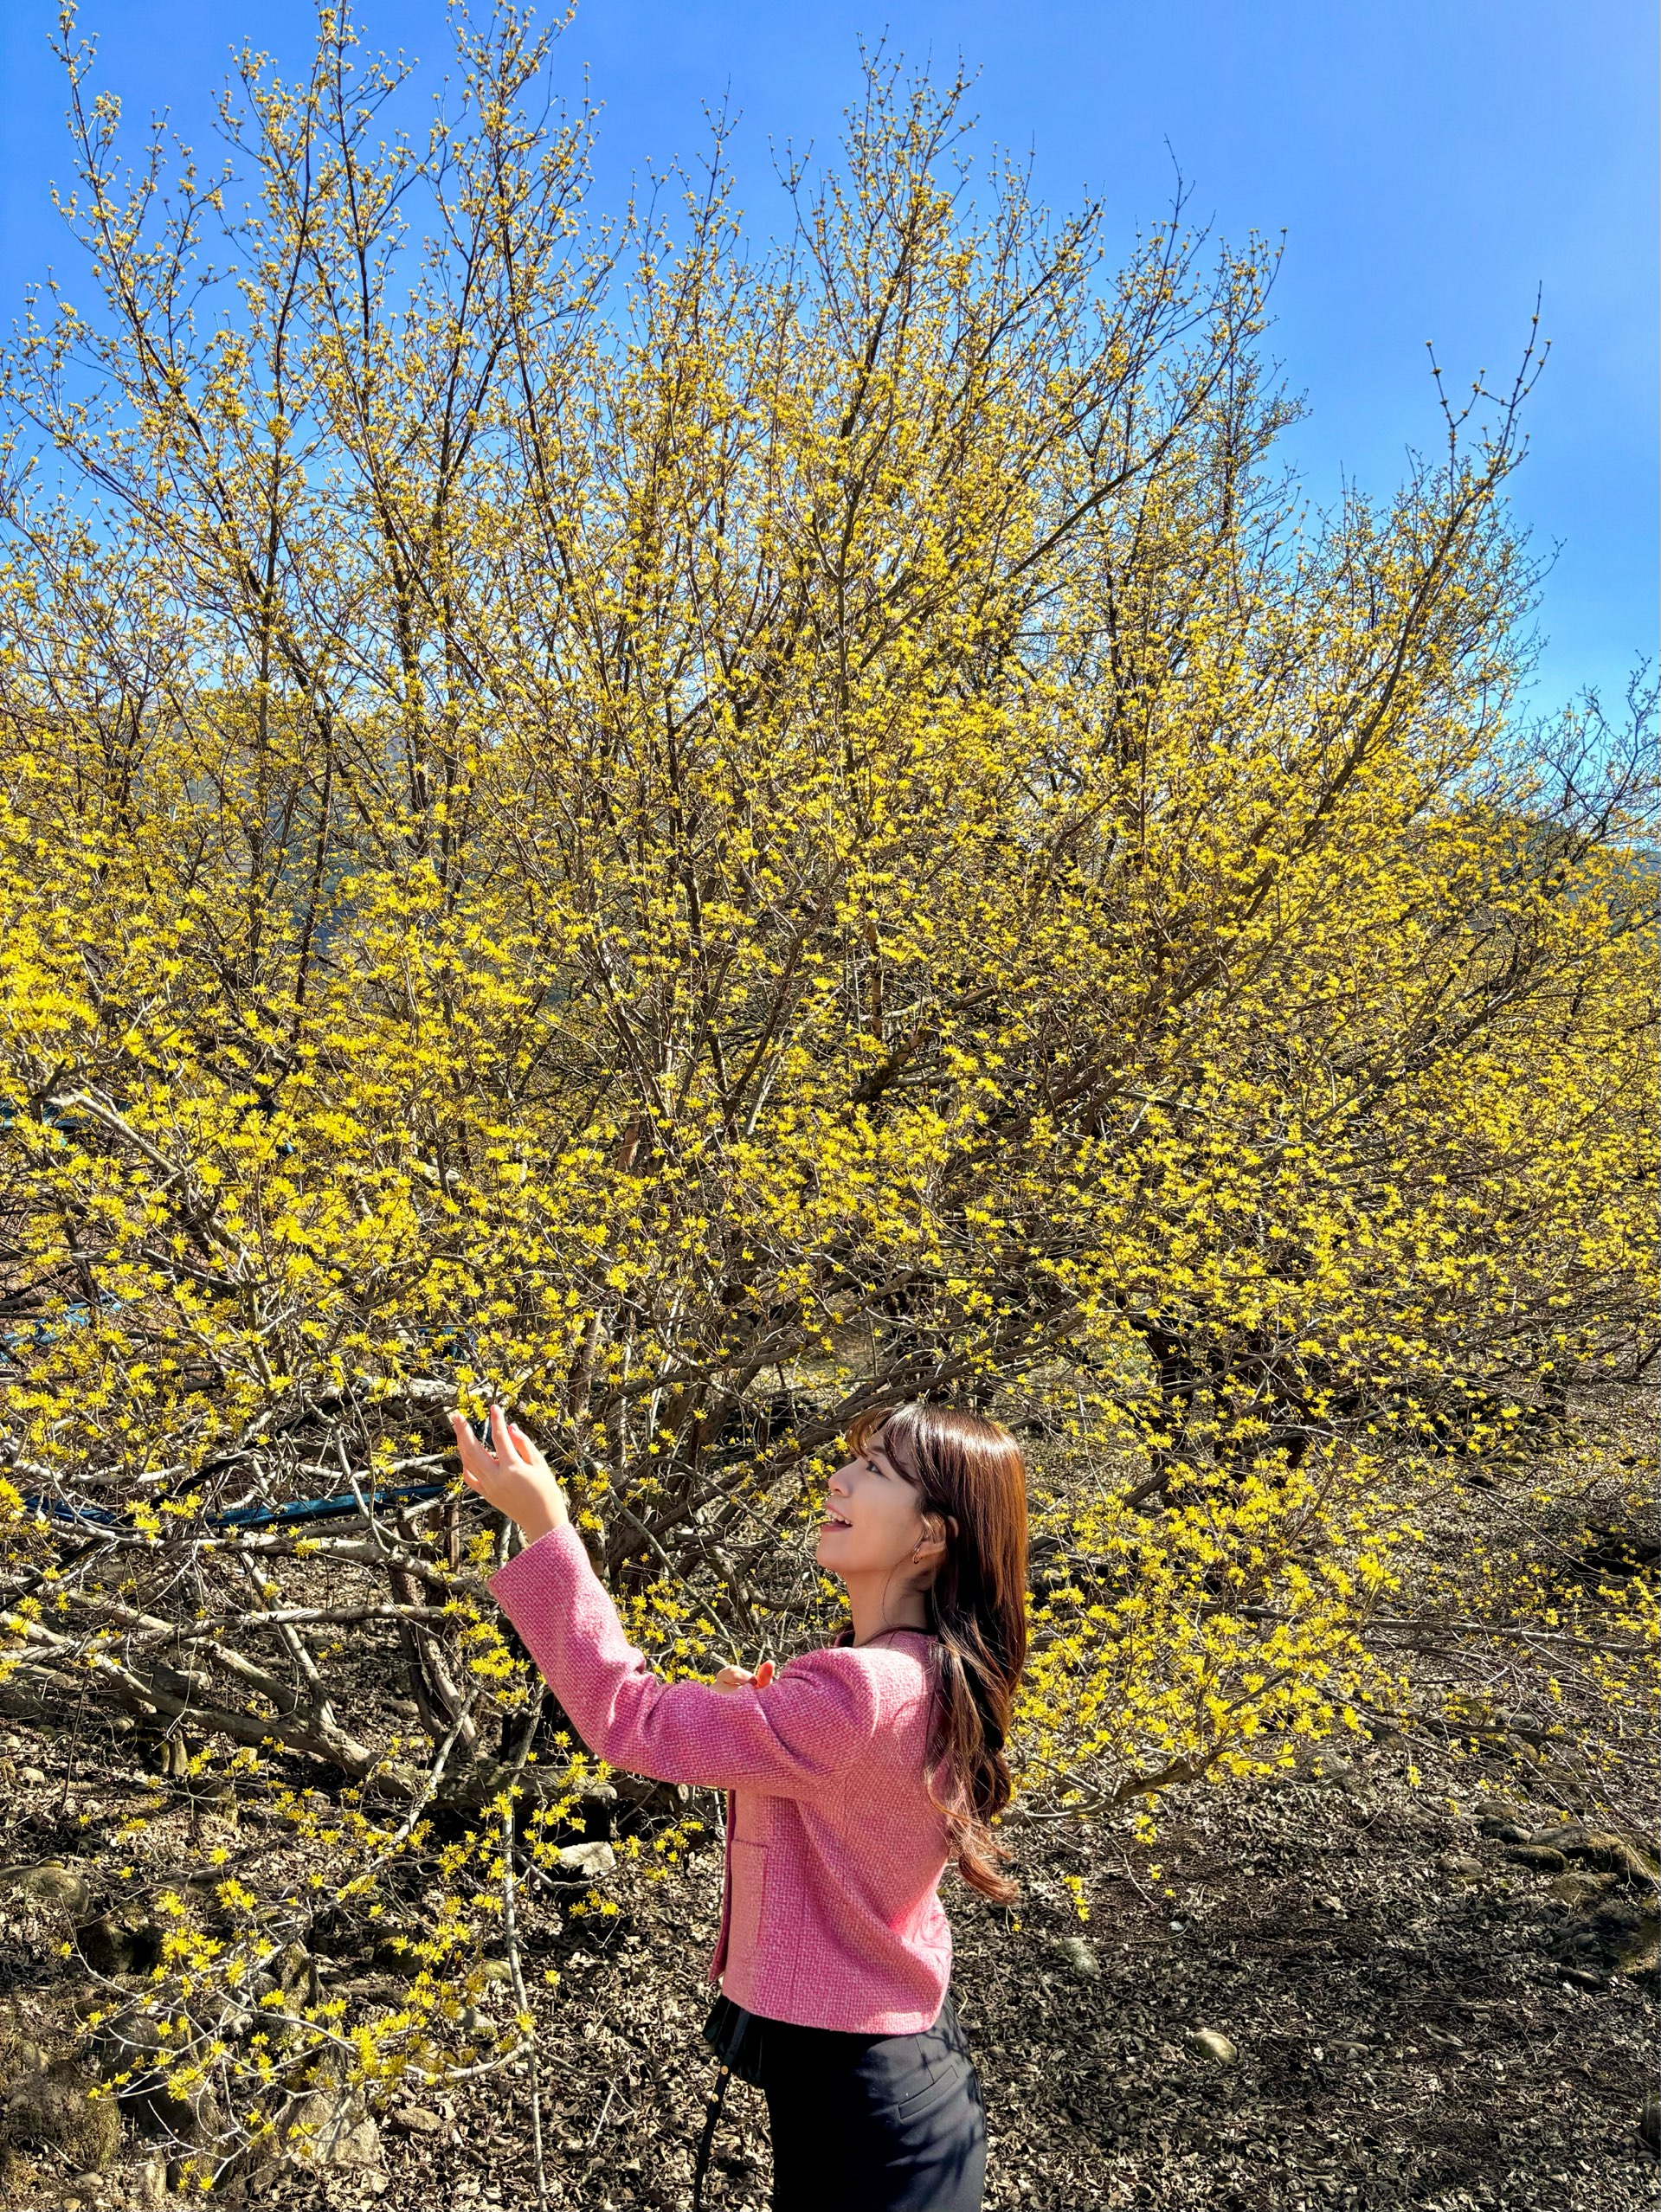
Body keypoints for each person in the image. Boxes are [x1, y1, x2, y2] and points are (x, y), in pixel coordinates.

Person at [450, 1398, 1029, 2212]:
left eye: (873, 1471)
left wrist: (547, 1527)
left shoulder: (858, 1690)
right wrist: (766, 1731)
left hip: (862, 2101)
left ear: (930, 1536)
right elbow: (854, 1801)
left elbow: (630, 1718)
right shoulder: (921, 1670)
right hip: (897, 2070)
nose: (839, 1479)